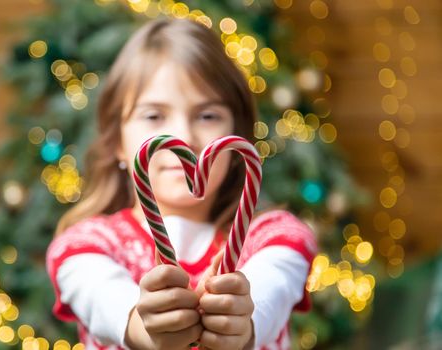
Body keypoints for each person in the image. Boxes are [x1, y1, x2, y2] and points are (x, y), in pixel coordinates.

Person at [46, 17, 317, 350]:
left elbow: (272, 285)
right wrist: (142, 326)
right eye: (154, 116)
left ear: (237, 138)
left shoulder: (272, 238)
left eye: (207, 116)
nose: (184, 138)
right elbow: (101, 295)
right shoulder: (86, 246)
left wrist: (243, 324)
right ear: (117, 139)